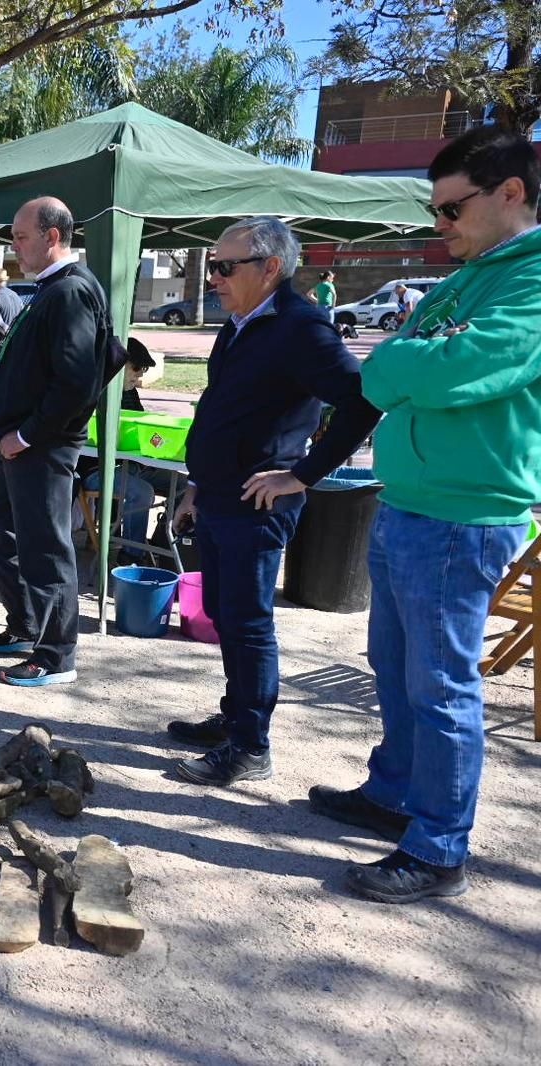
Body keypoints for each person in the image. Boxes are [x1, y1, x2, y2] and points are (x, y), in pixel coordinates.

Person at [311, 126, 541, 904]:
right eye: (433, 211)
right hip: (409, 503)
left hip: (464, 516)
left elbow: (450, 370)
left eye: (449, 210)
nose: (437, 226)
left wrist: (402, 365)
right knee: (397, 670)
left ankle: (440, 848)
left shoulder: (532, 277)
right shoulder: (464, 279)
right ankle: (395, 794)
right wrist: (408, 366)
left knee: (441, 685)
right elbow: (397, 371)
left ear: (511, 193)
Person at [163, 216, 380, 783]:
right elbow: (219, 407)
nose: (212, 277)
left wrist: (302, 475)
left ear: (271, 267)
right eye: (211, 266)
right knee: (226, 617)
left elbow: (361, 404)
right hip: (218, 496)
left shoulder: (301, 328)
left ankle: (250, 746)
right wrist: (195, 485)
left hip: (258, 505)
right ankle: (235, 718)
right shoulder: (240, 321)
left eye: (223, 267)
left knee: (249, 623)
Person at [0, 198, 108, 685]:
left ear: (52, 237)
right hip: (18, 441)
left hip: (40, 444)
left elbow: (77, 381)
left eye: (20, 236)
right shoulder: (52, 289)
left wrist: (28, 434)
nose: (13, 245)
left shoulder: (70, 291)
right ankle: (26, 625)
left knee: (46, 545)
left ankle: (55, 656)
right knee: (0, 528)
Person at [78, 339, 176, 553]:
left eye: (144, 369)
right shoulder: (94, 392)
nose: (140, 375)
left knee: (183, 485)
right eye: (137, 368)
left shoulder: (130, 391)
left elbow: (141, 430)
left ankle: (165, 544)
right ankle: (132, 555)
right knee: (142, 492)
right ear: (119, 363)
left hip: (136, 466)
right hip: (98, 471)